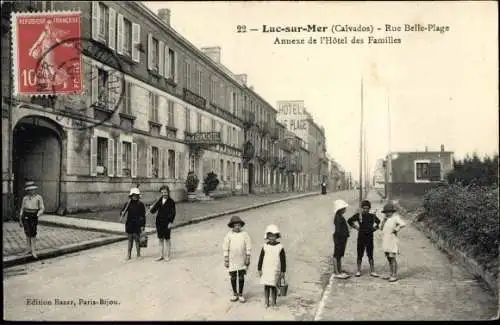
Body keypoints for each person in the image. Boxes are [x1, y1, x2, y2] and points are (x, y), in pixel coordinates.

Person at [347, 200, 381, 277]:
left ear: (369, 208)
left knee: (370, 254)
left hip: (369, 237)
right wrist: (356, 227)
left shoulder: (372, 216)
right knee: (360, 253)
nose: (365, 210)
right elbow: (349, 220)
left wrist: (374, 229)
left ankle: (372, 271)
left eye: (367, 208)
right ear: (362, 208)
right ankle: (358, 270)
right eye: (364, 208)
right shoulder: (359, 215)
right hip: (361, 236)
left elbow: (379, 222)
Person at [223, 216, 252, 303]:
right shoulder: (229, 235)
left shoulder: (245, 234)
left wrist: (248, 257)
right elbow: (225, 247)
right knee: (233, 276)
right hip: (232, 259)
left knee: (241, 276)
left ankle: (240, 294)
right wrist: (226, 258)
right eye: (235, 225)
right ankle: (235, 293)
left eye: (239, 225)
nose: (237, 227)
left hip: (241, 258)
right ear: (232, 226)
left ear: (241, 225)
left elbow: (248, 246)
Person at [257, 224, 287, 308]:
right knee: (266, 285)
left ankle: (274, 302)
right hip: (266, 269)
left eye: (273, 236)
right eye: (270, 236)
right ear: (267, 237)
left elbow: (283, 260)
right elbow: (261, 258)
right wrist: (259, 268)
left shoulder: (280, 247)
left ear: (276, 236)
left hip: (275, 269)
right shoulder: (265, 246)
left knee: (274, 286)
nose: (272, 238)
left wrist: (283, 271)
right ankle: (266, 301)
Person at [380, 202, 406, 282]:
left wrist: (396, 229)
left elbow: (403, 224)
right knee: (388, 258)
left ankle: (394, 275)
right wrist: (383, 221)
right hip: (386, 240)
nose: (388, 213)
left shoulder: (395, 218)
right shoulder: (385, 219)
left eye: (389, 212)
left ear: (392, 212)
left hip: (392, 240)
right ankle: (391, 274)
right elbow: (380, 228)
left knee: (392, 258)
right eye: (386, 212)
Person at [19, 181, 45, 258]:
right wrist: (20, 218)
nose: (31, 191)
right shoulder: (25, 198)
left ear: (35, 190)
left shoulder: (38, 197)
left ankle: (33, 250)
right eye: (29, 190)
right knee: (27, 232)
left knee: (33, 232)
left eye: (32, 189)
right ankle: (28, 249)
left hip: (34, 215)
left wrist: (38, 214)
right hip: (26, 215)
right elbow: (22, 208)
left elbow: (42, 208)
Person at [149, 185, 176, 261]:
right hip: (159, 222)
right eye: (162, 192)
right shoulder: (159, 200)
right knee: (160, 239)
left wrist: (170, 222)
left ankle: (167, 256)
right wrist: (151, 207)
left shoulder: (171, 202)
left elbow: (173, 213)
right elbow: (153, 211)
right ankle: (161, 255)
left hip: (167, 223)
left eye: (165, 192)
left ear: (168, 192)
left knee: (167, 239)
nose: (164, 194)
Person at [120, 187, 146, 260]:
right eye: (133, 195)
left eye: (136, 195)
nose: (135, 196)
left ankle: (138, 254)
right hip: (129, 224)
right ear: (131, 196)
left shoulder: (140, 204)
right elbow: (123, 212)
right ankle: (129, 255)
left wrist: (143, 225)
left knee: (137, 240)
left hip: (137, 224)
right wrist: (122, 214)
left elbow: (143, 216)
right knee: (130, 240)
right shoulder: (127, 204)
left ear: (138, 196)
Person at [332, 199, 350, 279]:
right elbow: (338, 230)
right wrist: (338, 239)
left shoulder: (340, 216)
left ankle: (339, 270)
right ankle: (336, 272)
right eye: (344, 208)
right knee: (336, 255)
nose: (345, 209)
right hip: (339, 239)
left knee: (339, 255)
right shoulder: (338, 218)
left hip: (342, 238)